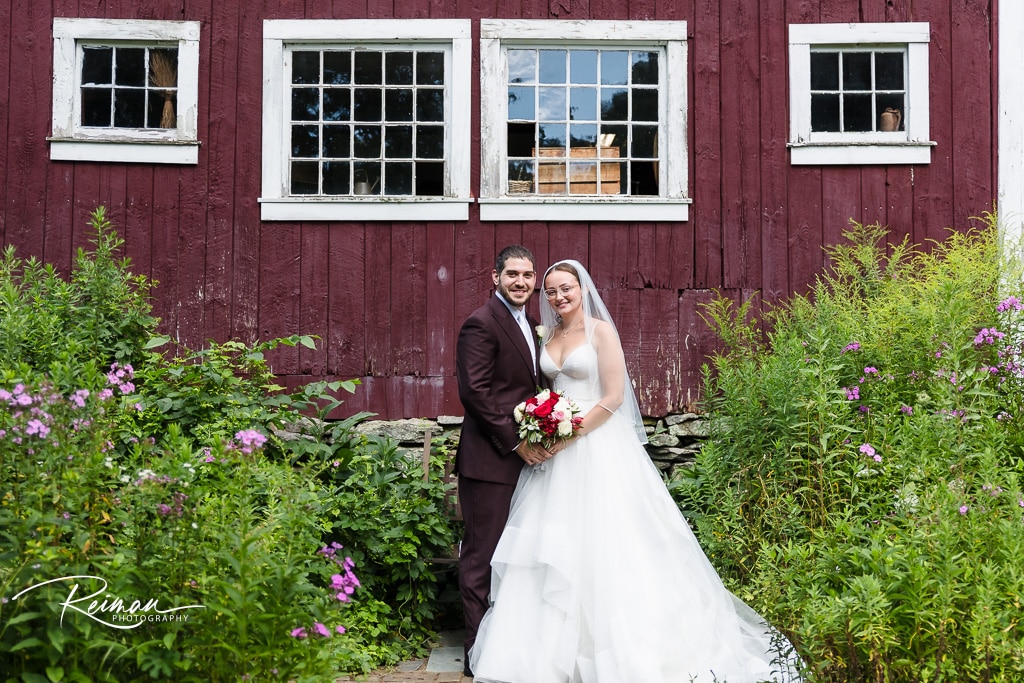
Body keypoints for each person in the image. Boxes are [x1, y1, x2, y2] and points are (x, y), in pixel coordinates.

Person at [468, 260, 802, 683]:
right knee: (554, 547)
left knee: (611, 545)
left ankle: (618, 649)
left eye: (565, 288)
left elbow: (611, 398)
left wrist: (569, 435)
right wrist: (544, 425)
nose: (558, 297)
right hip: (553, 458)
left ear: (582, 290)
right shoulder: (545, 335)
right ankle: (549, 654)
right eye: (550, 291)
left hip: (597, 449)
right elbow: (541, 391)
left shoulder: (600, 332)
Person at [454, 245, 554, 678]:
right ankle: (476, 655)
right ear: (494, 277)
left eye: (528, 275)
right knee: (481, 557)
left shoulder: (532, 324)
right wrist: (516, 444)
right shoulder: (481, 323)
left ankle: (508, 646)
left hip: (527, 461)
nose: (520, 282)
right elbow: (475, 392)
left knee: (516, 556)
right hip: (490, 462)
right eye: (512, 273)